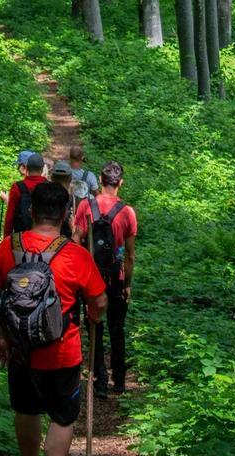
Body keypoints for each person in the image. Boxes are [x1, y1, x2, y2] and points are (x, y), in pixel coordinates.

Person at [0, 182, 108, 456]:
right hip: (62, 353)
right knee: (63, 416)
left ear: (31, 211)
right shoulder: (76, 255)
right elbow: (99, 303)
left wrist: (0, 337)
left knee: (26, 410)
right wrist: (94, 316)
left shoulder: (9, 247)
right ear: (66, 214)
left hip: (20, 351)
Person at [73, 161, 137, 398]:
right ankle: (119, 380)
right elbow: (130, 255)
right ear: (120, 183)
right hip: (116, 278)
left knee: (95, 326)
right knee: (117, 327)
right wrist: (127, 285)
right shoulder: (127, 212)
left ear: (100, 180)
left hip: (91, 279)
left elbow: (75, 240)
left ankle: (99, 379)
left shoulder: (85, 206)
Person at [4, 153, 46, 236]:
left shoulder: (17, 187)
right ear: (42, 169)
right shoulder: (48, 186)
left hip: (20, 238)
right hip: (43, 236)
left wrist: (6, 238)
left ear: (27, 168)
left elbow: (10, 217)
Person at [50, 160, 74, 237]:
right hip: (65, 238)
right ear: (70, 179)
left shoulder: (45, 196)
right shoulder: (71, 199)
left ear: (52, 178)